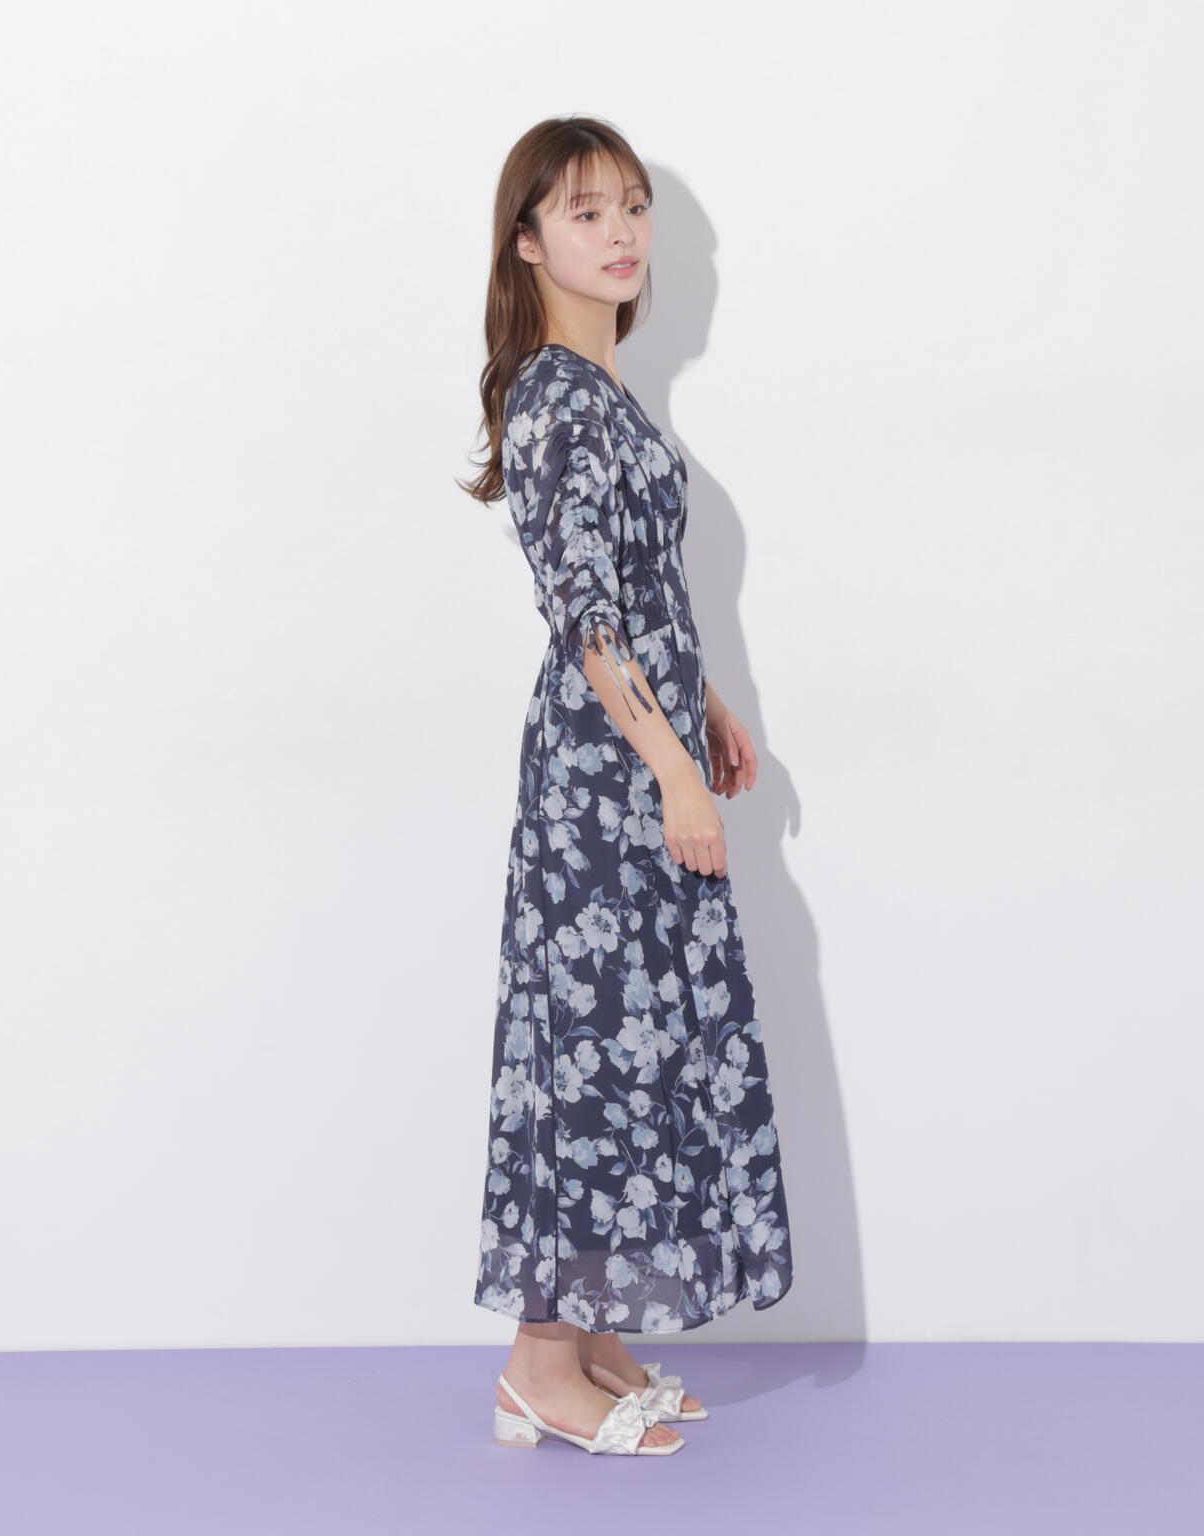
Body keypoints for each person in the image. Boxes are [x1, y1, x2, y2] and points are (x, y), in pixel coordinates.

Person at [460, 116, 793, 1458]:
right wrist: (673, 775)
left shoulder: (602, 394)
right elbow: (588, 623)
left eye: (634, 207)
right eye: (586, 210)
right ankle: (538, 1368)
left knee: (631, 1048)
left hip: (634, 756)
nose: (621, 233)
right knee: (590, 1058)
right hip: (602, 785)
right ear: (528, 242)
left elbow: (637, 597)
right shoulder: (553, 398)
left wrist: (706, 708)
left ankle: (591, 1338)